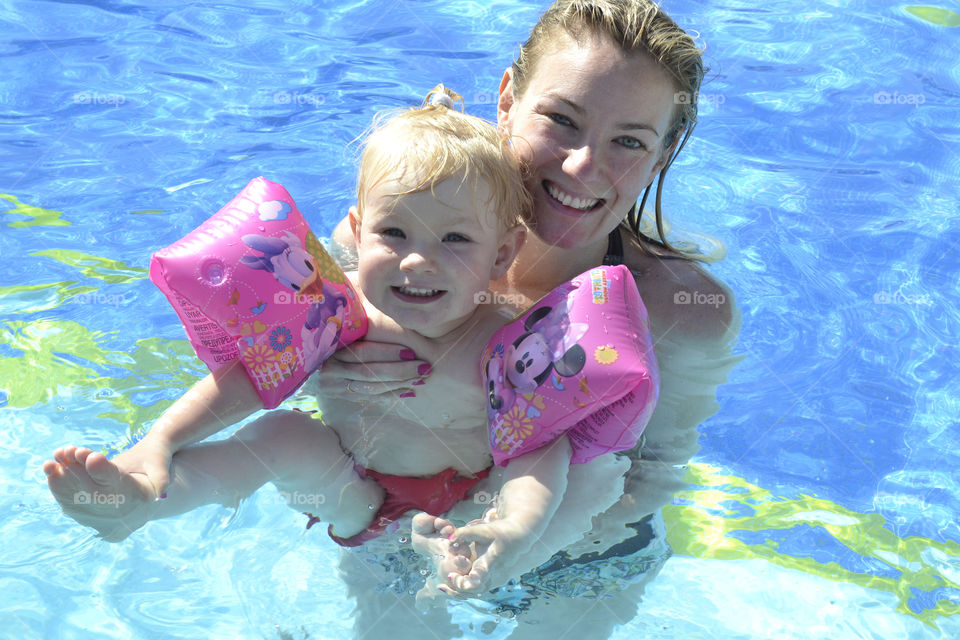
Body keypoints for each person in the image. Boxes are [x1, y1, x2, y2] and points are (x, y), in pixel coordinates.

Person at [42, 87, 630, 564]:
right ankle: (142, 500)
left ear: (503, 255)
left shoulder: (508, 336)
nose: (417, 260)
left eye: (455, 240)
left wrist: (515, 527)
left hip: (463, 504)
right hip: (353, 494)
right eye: (394, 234)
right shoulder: (336, 313)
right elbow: (249, 380)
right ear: (358, 228)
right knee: (280, 435)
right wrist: (161, 439)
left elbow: (537, 447)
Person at [324, 0, 742, 619]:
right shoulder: (392, 256)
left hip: (583, 558)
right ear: (506, 100)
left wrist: (509, 538)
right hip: (393, 525)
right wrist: (332, 380)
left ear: (663, 153)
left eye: (629, 140)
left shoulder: (685, 313)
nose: (582, 165)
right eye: (562, 120)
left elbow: (653, 477)